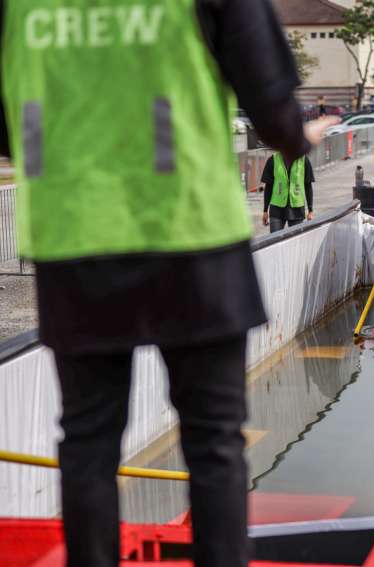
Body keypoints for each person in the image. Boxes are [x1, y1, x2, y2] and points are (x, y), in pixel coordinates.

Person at [0, 1, 337, 567]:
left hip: (73, 233)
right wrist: (301, 137)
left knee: (88, 441)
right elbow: (271, 109)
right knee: (213, 442)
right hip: (191, 230)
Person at [261, 154, 315, 232]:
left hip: (296, 209)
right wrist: (265, 210)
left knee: (295, 241)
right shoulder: (273, 160)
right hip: (277, 208)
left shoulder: (303, 160)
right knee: (275, 241)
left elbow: (308, 186)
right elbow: (268, 187)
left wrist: (310, 210)